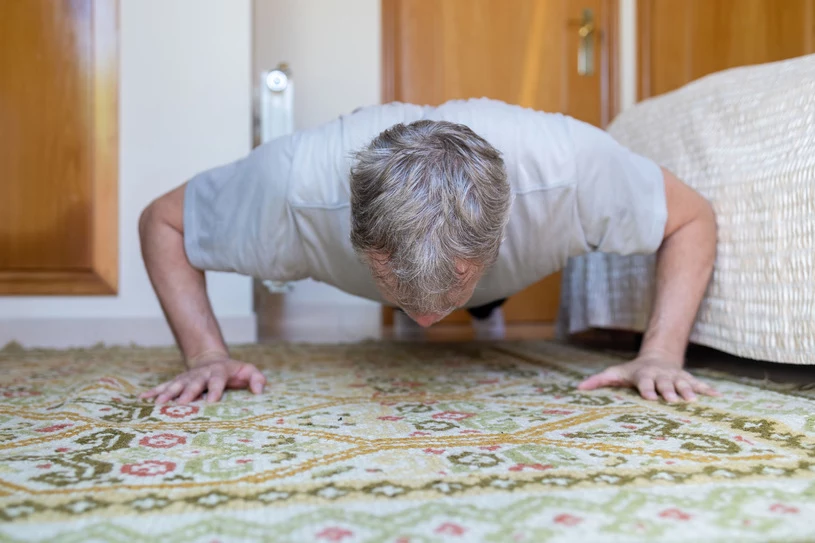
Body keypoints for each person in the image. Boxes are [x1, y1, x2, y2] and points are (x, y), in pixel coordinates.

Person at [137, 98, 720, 406]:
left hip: (520, 253)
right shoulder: (290, 187)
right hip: (335, 222)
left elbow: (692, 217)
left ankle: (482, 301)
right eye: (399, 292)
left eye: (450, 290)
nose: (424, 318)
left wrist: (663, 354)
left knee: (461, 297)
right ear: (357, 234)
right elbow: (162, 222)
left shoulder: (573, 169)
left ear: (500, 236)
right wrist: (205, 355)